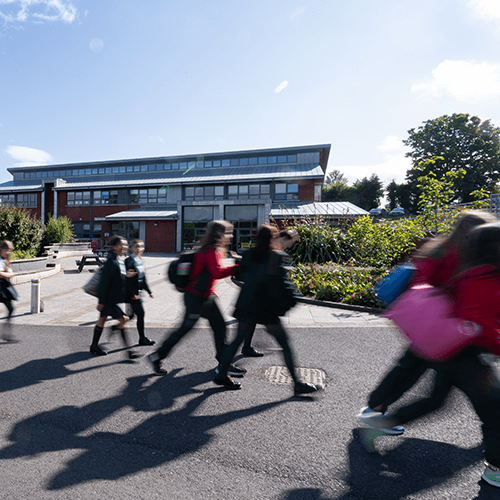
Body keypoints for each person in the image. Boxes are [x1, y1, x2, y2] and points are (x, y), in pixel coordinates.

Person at [364, 222, 500, 488]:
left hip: (449, 349)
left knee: (435, 400)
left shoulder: (468, 271)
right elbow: (477, 323)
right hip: (469, 356)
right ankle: (495, 468)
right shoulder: (484, 277)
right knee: (494, 412)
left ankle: (381, 424)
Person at [213, 225, 317, 395]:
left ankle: (222, 373)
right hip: (266, 306)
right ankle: (297, 384)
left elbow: (238, 275)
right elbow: (283, 283)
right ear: (273, 238)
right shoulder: (276, 256)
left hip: (246, 303)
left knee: (237, 339)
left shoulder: (247, 254)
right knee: (285, 344)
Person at [148, 220, 244, 376]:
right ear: (219, 234)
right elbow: (217, 272)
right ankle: (157, 355)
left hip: (205, 297)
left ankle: (224, 363)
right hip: (196, 299)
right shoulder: (211, 250)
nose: (230, 236)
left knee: (220, 327)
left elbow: (205, 274)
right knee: (185, 329)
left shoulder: (209, 249)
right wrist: (237, 268)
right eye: (228, 232)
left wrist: (212, 290)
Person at [240, 229, 299, 357]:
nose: (292, 244)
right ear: (285, 239)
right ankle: (227, 364)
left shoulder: (262, 252)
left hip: (250, 299)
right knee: (284, 343)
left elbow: (242, 273)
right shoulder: (275, 253)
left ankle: (245, 348)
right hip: (263, 300)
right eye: (292, 240)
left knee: (244, 330)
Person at [90, 235, 138, 359]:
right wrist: (101, 302)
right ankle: (128, 352)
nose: (125, 247)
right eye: (122, 245)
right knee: (123, 319)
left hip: (110, 299)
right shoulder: (111, 262)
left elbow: (117, 279)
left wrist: (126, 276)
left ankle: (94, 346)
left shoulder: (117, 260)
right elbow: (104, 282)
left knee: (102, 321)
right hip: (108, 300)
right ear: (114, 246)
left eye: (125, 245)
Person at [125, 239, 155, 346]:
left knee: (131, 316)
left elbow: (143, 278)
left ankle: (116, 327)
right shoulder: (129, 261)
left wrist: (149, 291)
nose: (139, 249)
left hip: (138, 293)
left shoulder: (139, 260)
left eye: (141, 246)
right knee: (141, 314)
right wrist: (133, 294)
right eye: (137, 246)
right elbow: (127, 280)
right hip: (132, 294)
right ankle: (142, 339)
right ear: (131, 248)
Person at [0, 240, 17, 342]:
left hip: (4, 289)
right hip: (1, 288)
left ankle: (6, 333)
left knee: (11, 309)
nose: (8, 253)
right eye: (6, 250)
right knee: (10, 309)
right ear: (1, 249)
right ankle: (6, 333)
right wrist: (10, 274)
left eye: (10, 251)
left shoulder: (5, 260)